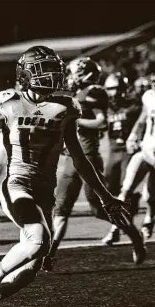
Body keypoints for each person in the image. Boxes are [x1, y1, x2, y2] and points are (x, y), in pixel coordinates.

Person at [0, 46, 145, 307]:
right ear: (26, 73)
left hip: (44, 191)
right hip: (17, 183)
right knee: (39, 240)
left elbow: (80, 159)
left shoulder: (65, 107)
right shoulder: (7, 103)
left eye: (55, 68)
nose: (53, 74)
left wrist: (106, 197)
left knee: (31, 268)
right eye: (44, 69)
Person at [42, 58, 133, 271]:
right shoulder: (75, 95)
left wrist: (72, 121)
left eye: (75, 73)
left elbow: (102, 121)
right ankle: (50, 254)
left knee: (98, 209)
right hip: (71, 158)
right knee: (61, 208)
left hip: (88, 156)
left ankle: (133, 235)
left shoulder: (94, 91)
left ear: (85, 74)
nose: (71, 77)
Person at [103, 62, 155, 242]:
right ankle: (115, 229)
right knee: (125, 191)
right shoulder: (149, 97)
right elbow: (141, 120)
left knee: (149, 196)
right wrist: (133, 136)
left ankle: (149, 219)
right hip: (145, 151)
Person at [102, 72, 142, 245]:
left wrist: (137, 138)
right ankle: (125, 219)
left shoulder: (134, 106)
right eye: (110, 89)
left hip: (127, 152)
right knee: (110, 190)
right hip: (113, 152)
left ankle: (116, 229)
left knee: (125, 191)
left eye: (117, 88)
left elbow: (144, 121)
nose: (114, 92)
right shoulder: (105, 107)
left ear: (124, 89)